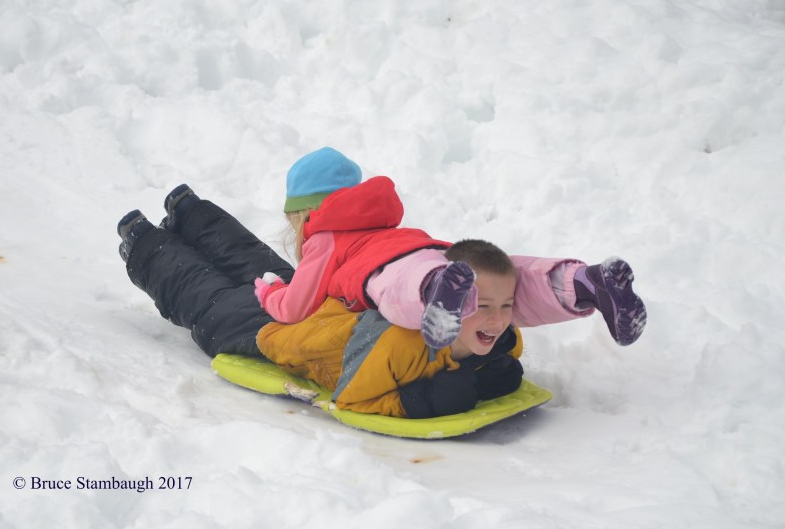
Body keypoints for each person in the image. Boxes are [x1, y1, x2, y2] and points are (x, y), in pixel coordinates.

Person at [116, 186, 647, 418]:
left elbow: (497, 334)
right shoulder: (401, 340)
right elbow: (351, 397)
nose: (496, 321)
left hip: (323, 309)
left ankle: (189, 209)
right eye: (483, 308)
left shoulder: (491, 332)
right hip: (281, 336)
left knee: (267, 272)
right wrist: (428, 400)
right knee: (205, 294)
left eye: (503, 309)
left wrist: (491, 371)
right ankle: (145, 240)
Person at [248, 146, 478, 351]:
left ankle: (434, 289)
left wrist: (271, 294)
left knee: (396, 290)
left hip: (387, 272)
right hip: (427, 251)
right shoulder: (379, 223)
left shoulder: (326, 237)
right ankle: (479, 287)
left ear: (303, 213)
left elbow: (295, 308)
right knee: (425, 275)